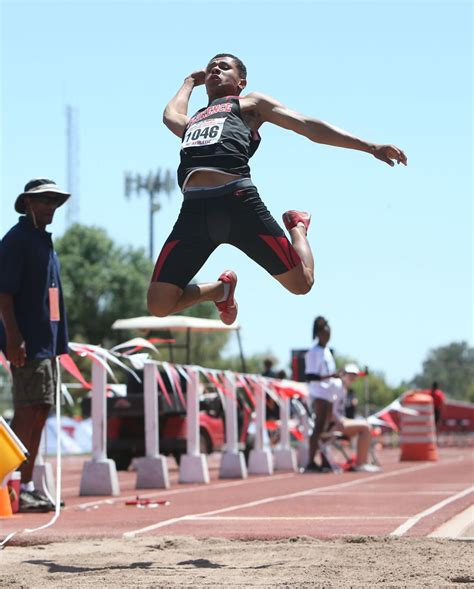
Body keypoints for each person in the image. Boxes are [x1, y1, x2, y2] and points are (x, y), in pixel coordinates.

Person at [147, 53, 407, 324]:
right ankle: (220, 291)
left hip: (238, 203)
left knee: (302, 283)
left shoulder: (251, 104)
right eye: (211, 68)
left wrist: (369, 146)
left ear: (241, 82)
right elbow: (170, 116)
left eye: (224, 68)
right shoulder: (195, 121)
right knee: (159, 304)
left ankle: (298, 227)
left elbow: (307, 126)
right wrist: (189, 81)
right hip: (194, 212)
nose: (215, 71)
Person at [0, 178, 70, 513]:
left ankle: (25, 486)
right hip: (27, 344)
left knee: (40, 411)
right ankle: (9, 484)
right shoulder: (17, 241)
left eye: (55, 201)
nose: (51, 207)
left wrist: (57, 340)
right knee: (27, 412)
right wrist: (14, 337)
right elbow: (4, 293)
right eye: (45, 201)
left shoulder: (43, 241)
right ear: (28, 203)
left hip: (47, 343)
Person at [303, 316, 341, 472]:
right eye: (326, 332)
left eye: (330, 332)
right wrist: (331, 377)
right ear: (319, 333)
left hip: (329, 393)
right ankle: (310, 462)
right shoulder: (314, 352)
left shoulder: (327, 351)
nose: (328, 335)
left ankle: (325, 460)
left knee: (325, 429)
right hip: (319, 393)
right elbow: (310, 376)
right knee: (318, 428)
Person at [331, 364, 381, 472]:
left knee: (366, 424)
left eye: (355, 375)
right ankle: (361, 463)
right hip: (334, 423)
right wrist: (336, 420)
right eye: (350, 375)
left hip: (340, 420)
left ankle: (362, 461)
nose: (353, 378)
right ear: (344, 374)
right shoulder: (337, 386)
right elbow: (329, 408)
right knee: (365, 427)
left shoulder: (343, 389)